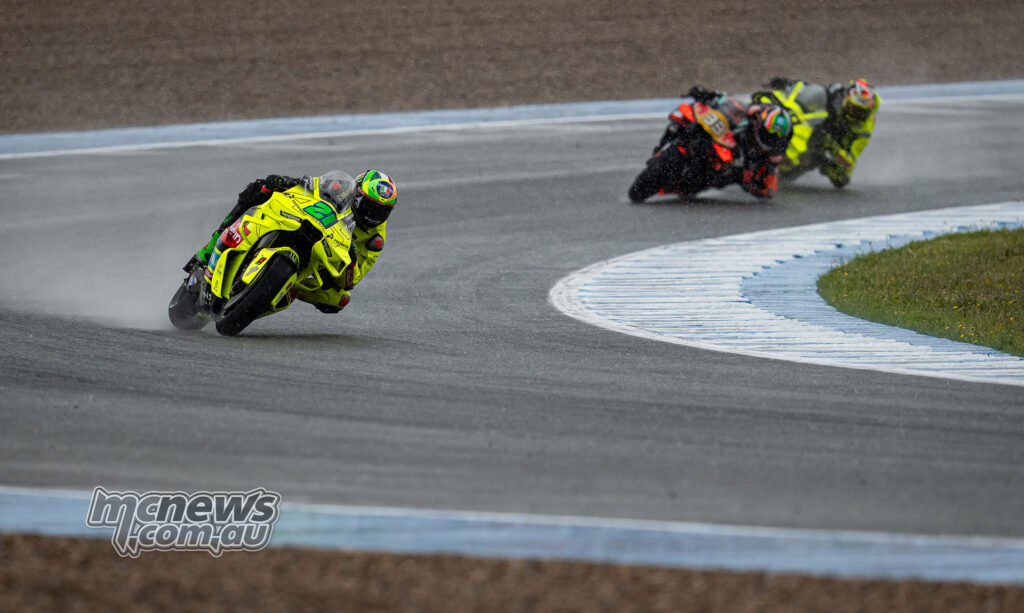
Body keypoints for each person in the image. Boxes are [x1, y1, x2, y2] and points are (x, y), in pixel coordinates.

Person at [184, 169, 398, 313]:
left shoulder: (375, 239)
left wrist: (350, 261)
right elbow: (312, 186)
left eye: (382, 211)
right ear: (356, 195)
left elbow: (352, 280)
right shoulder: (340, 188)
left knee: (338, 300)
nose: (373, 215)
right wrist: (286, 182)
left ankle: (283, 287)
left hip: (324, 261)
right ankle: (208, 250)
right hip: (304, 221)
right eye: (369, 206)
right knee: (258, 189)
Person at [659, 86, 793, 199]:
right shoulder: (754, 112)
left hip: (742, 162)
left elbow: (771, 171)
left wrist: (754, 175)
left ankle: (695, 184)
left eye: (772, 138)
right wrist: (711, 96)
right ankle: (662, 146)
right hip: (725, 139)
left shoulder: (779, 144)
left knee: (767, 191)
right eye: (767, 134)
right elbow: (730, 103)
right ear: (760, 123)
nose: (769, 138)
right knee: (685, 118)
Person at [753, 77, 881, 187]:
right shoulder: (836, 94)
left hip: (832, 146)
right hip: (816, 128)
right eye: (854, 108)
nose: (856, 114)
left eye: (861, 112)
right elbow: (811, 92)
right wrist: (788, 84)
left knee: (842, 178)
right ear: (847, 99)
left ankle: (776, 172)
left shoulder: (864, 131)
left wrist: (831, 144)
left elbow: (850, 162)